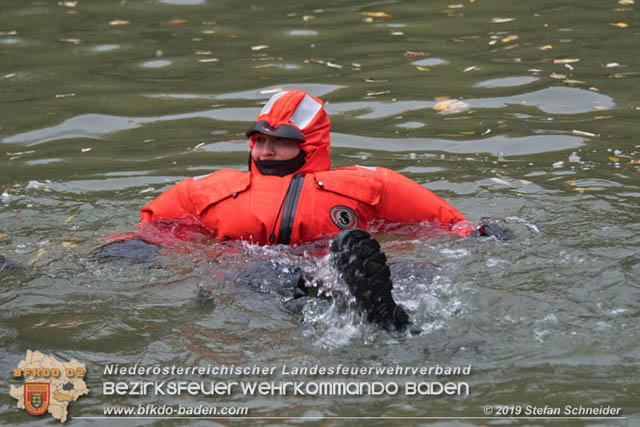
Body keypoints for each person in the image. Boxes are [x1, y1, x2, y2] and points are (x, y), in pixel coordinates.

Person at [87, 90, 512, 330]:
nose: (266, 149)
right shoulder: (206, 190)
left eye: (280, 141)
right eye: (259, 140)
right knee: (263, 276)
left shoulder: (367, 185)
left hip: (333, 260)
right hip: (250, 273)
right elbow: (153, 229)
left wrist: (477, 232)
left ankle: (388, 313)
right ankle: (364, 310)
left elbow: (440, 221)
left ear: (308, 145)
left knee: (406, 272)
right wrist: (127, 246)